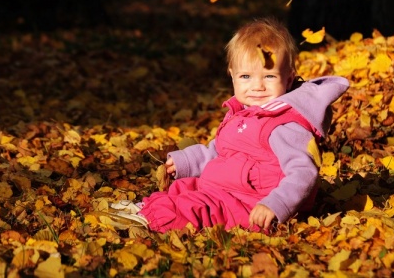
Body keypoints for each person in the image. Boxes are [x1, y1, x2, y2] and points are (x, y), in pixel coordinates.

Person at [113, 17, 349, 233]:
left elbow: (303, 172)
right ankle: (145, 208)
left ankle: (152, 218)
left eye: (269, 77)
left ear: (288, 79)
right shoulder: (242, 115)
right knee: (185, 187)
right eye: (246, 77)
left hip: (253, 204)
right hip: (225, 189)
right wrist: (188, 161)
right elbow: (219, 152)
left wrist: (276, 204)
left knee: (197, 206)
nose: (257, 87)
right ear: (232, 75)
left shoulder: (283, 126)